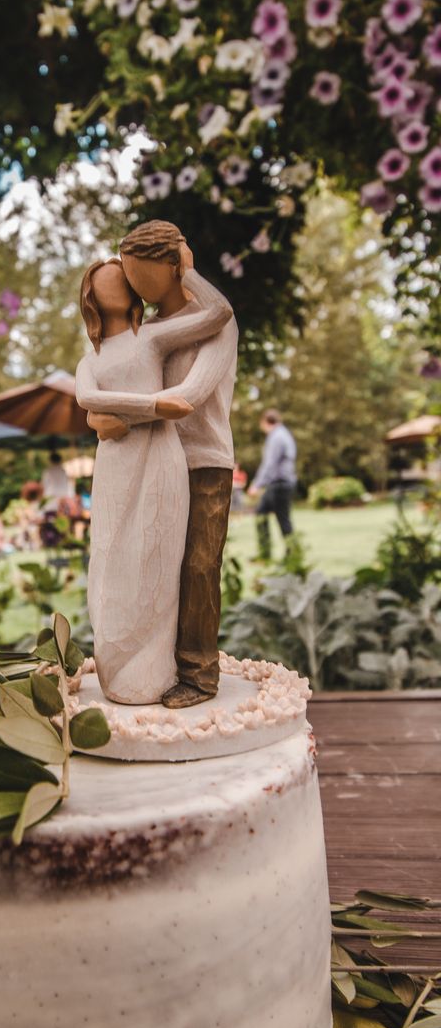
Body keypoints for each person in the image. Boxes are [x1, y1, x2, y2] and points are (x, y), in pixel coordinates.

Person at [83, 221, 238, 708]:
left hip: (206, 459)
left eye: (137, 270)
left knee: (197, 566)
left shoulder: (216, 324)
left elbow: (187, 397)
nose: (131, 281)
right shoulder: (147, 332)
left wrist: (121, 410)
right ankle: (157, 666)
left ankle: (198, 675)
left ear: (171, 266)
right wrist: (97, 415)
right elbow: (108, 388)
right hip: (153, 463)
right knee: (151, 565)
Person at [247, 409, 297, 561]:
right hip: (280, 484)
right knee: (261, 513)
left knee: (283, 520)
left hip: (280, 484)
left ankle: (292, 555)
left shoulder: (276, 437)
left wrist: (257, 484)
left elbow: (270, 464)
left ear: (265, 422)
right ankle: (265, 553)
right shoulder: (284, 434)